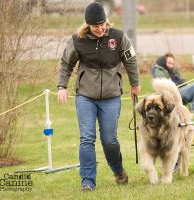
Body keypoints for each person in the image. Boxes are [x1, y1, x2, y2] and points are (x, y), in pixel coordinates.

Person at [57, 2, 140, 191]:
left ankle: (118, 170)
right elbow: (65, 63)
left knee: (109, 139)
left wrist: (135, 83)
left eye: (102, 24)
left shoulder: (118, 37)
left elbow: (130, 59)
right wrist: (62, 86)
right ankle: (88, 181)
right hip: (86, 96)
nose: (100, 28)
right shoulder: (78, 40)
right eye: (96, 26)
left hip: (111, 97)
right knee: (86, 138)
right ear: (88, 25)